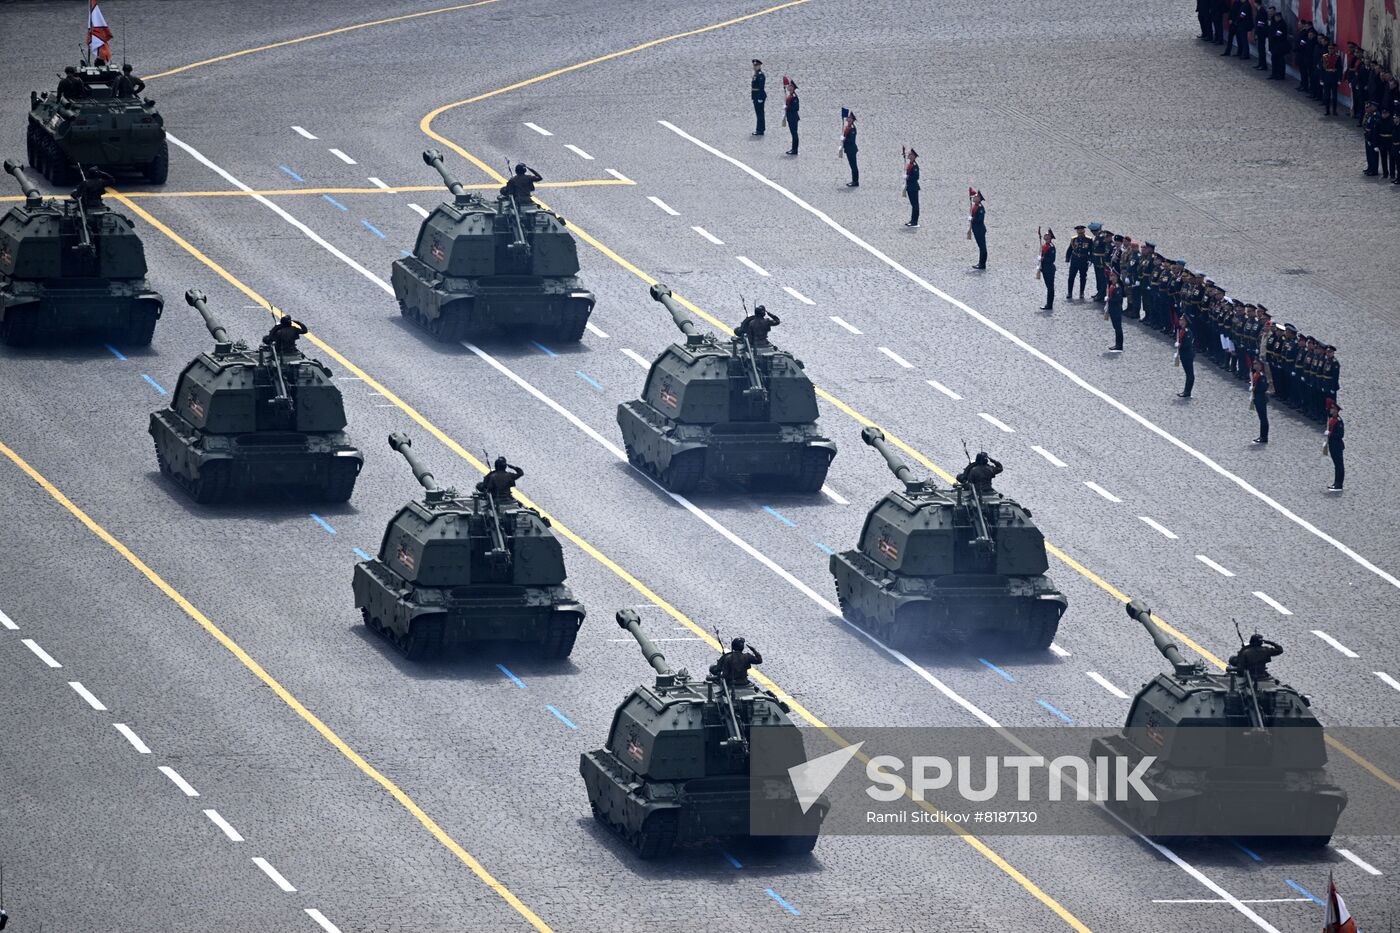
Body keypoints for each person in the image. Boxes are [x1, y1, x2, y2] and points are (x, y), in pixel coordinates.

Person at [1065, 225, 1091, 301]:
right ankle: (1069, 292)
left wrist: (1090, 259)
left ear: (1084, 231)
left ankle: (1081, 292)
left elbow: (1091, 250)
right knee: (1071, 276)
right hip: (1075, 259)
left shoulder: (1088, 240)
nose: (1080, 233)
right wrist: (1067, 258)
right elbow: (1070, 249)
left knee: (1083, 277)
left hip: (1083, 259)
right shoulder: (1074, 239)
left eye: (1081, 231)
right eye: (1078, 231)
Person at [1324, 400, 1345, 491]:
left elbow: (1340, 435)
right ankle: (1336, 483)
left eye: (1332, 409)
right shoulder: (1332, 418)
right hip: (1332, 445)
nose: (1330, 410)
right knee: (1336, 465)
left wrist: (1330, 434)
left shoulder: (1338, 421)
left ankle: (1339, 484)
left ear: (1336, 410)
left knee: (1339, 465)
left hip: (1337, 445)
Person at [1175, 315, 1196, 398]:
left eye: (1182, 320)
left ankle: (1187, 391)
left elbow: (1187, 344)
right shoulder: (1182, 330)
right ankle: (1186, 390)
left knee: (1190, 374)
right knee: (1188, 374)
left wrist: (1179, 345)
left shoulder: (1187, 332)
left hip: (1188, 355)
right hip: (1184, 355)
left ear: (1185, 322)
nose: (1180, 321)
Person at [1249, 358, 1269, 443]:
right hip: (1257, 398)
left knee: (1263, 418)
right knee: (1261, 418)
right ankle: (1262, 436)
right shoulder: (1256, 374)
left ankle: (1264, 437)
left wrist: (1254, 389)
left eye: (1256, 364)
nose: (1254, 365)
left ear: (1260, 365)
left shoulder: (1261, 375)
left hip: (1261, 398)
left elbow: (1264, 387)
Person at [1088, 222, 1109, 301]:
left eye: (1093, 231)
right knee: (1098, 277)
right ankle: (1099, 292)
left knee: (1102, 278)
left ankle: (1102, 293)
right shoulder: (1097, 236)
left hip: (1101, 261)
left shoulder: (1102, 237)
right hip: (1096, 260)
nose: (1093, 233)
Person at [1105, 267, 1124, 351]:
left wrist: (1109, 299)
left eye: (1112, 275)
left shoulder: (1117, 287)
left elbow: (1118, 299)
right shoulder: (1112, 285)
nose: (1111, 277)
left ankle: (1119, 345)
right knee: (1115, 327)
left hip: (1116, 309)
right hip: (1112, 309)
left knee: (1118, 327)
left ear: (1116, 277)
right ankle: (1117, 344)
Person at [1320, 41, 1342, 115]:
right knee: (1327, 95)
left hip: (1334, 77)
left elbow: (1339, 69)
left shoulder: (1337, 57)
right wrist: (1321, 78)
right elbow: (1322, 69)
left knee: (1335, 96)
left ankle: (1334, 110)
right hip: (1326, 77)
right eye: (1329, 48)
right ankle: (1327, 110)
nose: (1331, 50)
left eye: (1332, 48)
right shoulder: (1324, 56)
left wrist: (1339, 79)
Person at [1037, 228, 1056, 310]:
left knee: (1050, 287)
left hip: (1049, 269)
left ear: (1050, 237)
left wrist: (1043, 259)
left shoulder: (1051, 247)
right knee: (1048, 287)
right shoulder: (1044, 246)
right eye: (1045, 236)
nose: (1045, 237)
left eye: (1047, 236)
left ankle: (1049, 304)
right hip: (1044, 268)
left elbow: (1052, 259)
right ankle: (1048, 304)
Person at [839, 109, 859, 186]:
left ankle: (855, 181)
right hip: (848, 149)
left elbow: (851, 140)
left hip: (852, 150)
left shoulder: (853, 129)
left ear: (852, 120)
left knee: (854, 166)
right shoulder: (848, 127)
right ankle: (854, 180)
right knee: (852, 166)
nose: (848, 118)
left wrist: (844, 139)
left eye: (849, 118)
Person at [969, 188, 987, 269]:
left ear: (979, 199)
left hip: (979, 230)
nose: (974, 198)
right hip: (976, 230)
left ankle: (982, 264)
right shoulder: (976, 206)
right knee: (981, 247)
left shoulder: (980, 208)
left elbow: (980, 219)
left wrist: (972, 219)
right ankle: (981, 263)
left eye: (975, 197)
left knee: (982, 247)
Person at [1269, 12, 1289, 80]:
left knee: (1280, 61)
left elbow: (1278, 35)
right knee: (1274, 60)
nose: (1275, 19)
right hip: (1276, 45)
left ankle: (1280, 75)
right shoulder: (1277, 23)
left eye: (1276, 17)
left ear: (1278, 17)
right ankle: (1274, 73)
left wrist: (1272, 37)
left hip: (1280, 45)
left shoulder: (1282, 24)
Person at [781, 76, 799, 155]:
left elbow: (796, 108)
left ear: (793, 88)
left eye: (790, 86)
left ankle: (794, 150)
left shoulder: (794, 97)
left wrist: (787, 107)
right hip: (790, 117)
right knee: (793, 133)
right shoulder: (790, 96)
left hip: (793, 117)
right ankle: (793, 148)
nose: (788, 87)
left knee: (794, 133)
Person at [903, 148, 920, 227]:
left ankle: (914, 221)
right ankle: (912, 220)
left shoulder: (914, 166)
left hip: (913, 188)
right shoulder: (910, 164)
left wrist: (908, 177)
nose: (908, 155)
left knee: (915, 205)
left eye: (910, 154)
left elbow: (916, 177)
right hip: (910, 187)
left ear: (913, 156)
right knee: (913, 204)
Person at [1363, 103, 1380, 175]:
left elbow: (1375, 129)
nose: (1369, 108)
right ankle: (1370, 167)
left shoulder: (1376, 115)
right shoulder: (1369, 115)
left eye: (1371, 107)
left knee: (1373, 155)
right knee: (1369, 154)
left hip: (1373, 137)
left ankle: (1374, 170)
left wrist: (1372, 138)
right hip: (1368, 136)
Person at [750, 59, 766, 136]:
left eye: (756, 65)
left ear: (759, 66)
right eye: (754, 65)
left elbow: (761, 87)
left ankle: (760, 130)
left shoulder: (760, 75)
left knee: (760, 113)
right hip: (755, 96)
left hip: (759, 96)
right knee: (758, 113)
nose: (755, 67)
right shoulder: (756, 74)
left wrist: (760, 97)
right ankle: (760, 128)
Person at [1254, 3, 1271, 69]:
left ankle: (1263, 65)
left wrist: (1257, 33)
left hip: (1261, 33)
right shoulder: (1261, 10)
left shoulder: (1261, 11)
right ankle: (1260, 63)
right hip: (1261, 33)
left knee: (1261, 49)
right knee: (1260, 49)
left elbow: (1260, 24)